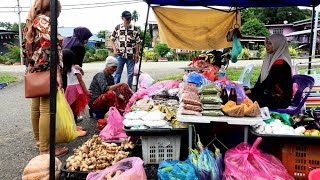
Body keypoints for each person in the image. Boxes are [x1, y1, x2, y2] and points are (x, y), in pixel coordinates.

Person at [22, 0, 68, 156]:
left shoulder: (31, 22)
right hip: (47, 70)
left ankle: (39, 141)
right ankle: (45, 150)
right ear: (54, 10)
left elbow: (25, 50)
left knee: (36, 107)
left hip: (33, 69)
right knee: (46, 109)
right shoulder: (46, 22)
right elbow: (50, 49)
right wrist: (57, 74)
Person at [245, 34, 293, 109]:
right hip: (269, 93)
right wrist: (251, 90)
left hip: (281, 99)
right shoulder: (269, 59)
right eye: (266, 43)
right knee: (245, 95)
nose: (267, 46)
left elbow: (269, 83)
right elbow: (260, 81)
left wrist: (251, 91)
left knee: (247, 99)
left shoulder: (281, 63)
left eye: (270, 43)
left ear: (278, 45)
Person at [110, 10, 141, 88]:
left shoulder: (135, 29)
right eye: (127, 19)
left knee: (130, 73)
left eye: (130, 19)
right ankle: (115, 89)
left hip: (131, 55)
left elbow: (138, 42)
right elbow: (111, 39)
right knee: (117, 72)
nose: (128, 20)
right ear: (122, 18)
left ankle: (128, 89)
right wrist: (114, 49)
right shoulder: (118, 28)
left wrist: (137, 54)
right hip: (120, 54)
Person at [63, 49, 89, 136]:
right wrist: (86, 91)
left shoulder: (67, 68)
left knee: (72, 109)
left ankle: (74, 126)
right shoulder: (75, 70)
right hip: (76, 90)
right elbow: (81, 81)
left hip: (70, 89)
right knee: (75, 110)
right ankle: (73, 129)